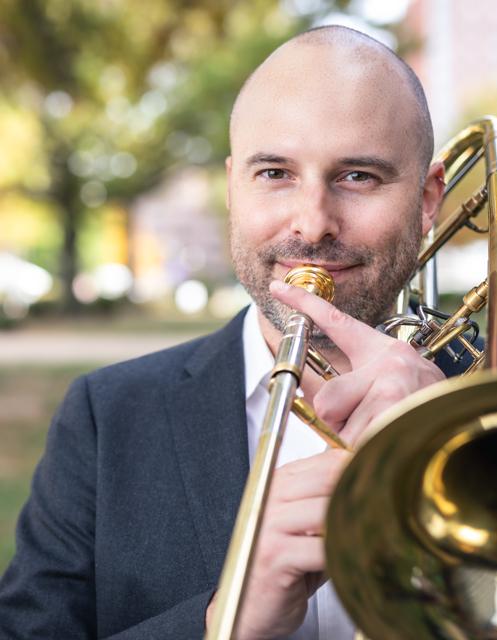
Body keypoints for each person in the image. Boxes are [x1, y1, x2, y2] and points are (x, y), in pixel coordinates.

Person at [0, 25, 451, 639]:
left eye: (359, 177)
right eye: (275, 173)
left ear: (427, 201)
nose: (313, 224)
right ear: (234, 188)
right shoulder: (107, 417)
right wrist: (225, 622)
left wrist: (467, 451)